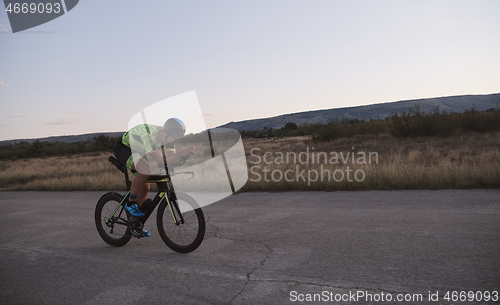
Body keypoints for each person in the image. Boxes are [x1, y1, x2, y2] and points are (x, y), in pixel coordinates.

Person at [113, 118, 196, 237]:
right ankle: (130, 204)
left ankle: (136, 224)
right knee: (145, 169)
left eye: (179, 137)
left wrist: (184, 156)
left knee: (145, 187)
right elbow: (161, 160)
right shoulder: (150, 135)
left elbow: (171, 158)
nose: (178, 140)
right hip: (124, 148)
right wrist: (181, 153)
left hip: (139, 150)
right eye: (176, 137)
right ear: (167, 133)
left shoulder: (169, 139)